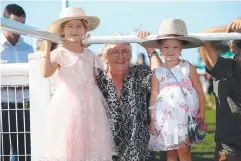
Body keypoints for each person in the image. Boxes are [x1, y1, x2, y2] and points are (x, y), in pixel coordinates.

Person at [39, 7, 114, 161]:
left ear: (85, 30)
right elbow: (45, 73)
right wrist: (47, 47)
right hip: (68, 106)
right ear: (62, 30)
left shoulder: (90, 55)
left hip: (91, 106)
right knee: (69, 145)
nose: (74, 30)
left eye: (79, 26)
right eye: (69, 26)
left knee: (91, 144)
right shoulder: (59, 53)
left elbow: (96, 79)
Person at [140, 18, 206, 161]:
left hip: (185, 116)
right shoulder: (158, 72)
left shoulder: (188, 67)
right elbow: (154, 96)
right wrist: (152, 120)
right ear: (160, 49)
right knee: (170, 152)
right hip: (166, 118)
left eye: (175, 47)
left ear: (182, 48)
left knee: (183, 151)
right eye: (166, 47)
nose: (170, 51)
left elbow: (200, 91)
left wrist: (202, 113)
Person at [95, 31, 163, 161]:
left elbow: (161, 77)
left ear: (130, 55)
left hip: (139, 152)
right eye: (115, 52)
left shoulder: (139, 73)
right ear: (105, 57)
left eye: (125, 51)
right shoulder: (98, 78)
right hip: (106, 151)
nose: (121, 56)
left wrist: (151, 50)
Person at [200, 17, 241, 161]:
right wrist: (231, 28)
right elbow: (203, 37)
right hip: (229, 147)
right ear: (232, 46)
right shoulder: (223, 67)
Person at [0, 4, 33, 161]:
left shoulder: (29, 49)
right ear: (4, 22)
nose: (18, 28)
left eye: (22, 24)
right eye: (14, 23)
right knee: (3, 153)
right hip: (2, 109)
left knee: (27, 154)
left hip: (25, 109)